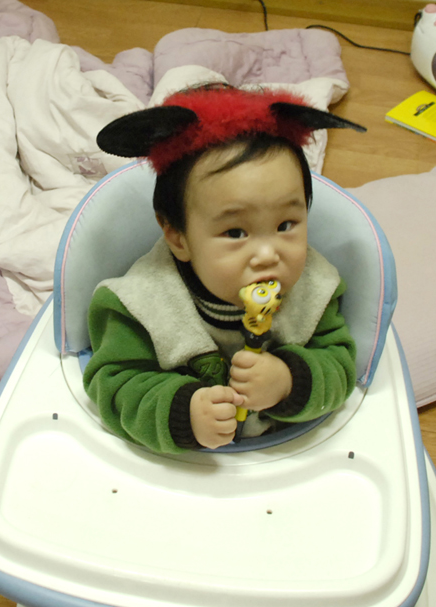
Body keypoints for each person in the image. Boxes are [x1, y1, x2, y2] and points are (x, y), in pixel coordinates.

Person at [83, 84, 366, 453]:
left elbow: (340, 364)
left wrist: (288, 382)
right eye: (235, 232)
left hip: (286, 457)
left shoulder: (316, 289)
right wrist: (183, 414)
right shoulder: (140, 305)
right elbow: (114, 383)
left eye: (286, 225)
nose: (267, 254)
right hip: (183, 466)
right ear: (178, 236)